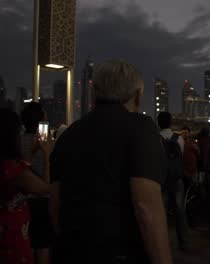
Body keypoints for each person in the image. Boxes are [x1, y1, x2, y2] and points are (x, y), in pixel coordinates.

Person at [50, 60, 172, 263]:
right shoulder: (140, 128)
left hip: (70, 250)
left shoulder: (68, 135)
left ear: (94, 92)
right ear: (138, 97)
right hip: (120, 251)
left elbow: (54, 202)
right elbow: (145, 206)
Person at [0, 108, 51, 264]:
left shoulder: (6, 165)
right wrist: (48, 154)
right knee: (42, 246)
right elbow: (45, 187)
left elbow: (24, 170)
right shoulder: (11, 168)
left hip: (7, 226)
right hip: (13, 231)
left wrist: (31, 153)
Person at [20, 102, 53, 264]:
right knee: (42, 245)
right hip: (43, 200)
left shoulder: (17, 142)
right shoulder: (48, 143)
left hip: (22, 200)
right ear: (41, 120)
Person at [157, 112, 190, 251]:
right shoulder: (179, 139)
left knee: (160, 212)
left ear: (158, 123)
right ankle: (183, 241)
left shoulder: (155, 138)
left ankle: (161, 243)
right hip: (177, 179)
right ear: (170, 122)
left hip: (161, 180)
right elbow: (180, 158)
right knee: (180, 211)